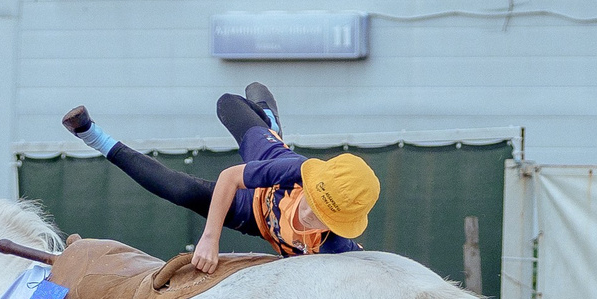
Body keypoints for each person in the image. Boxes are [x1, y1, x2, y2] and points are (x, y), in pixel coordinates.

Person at [62, 86, 380, 270]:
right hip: (265, 175)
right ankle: (269, 122)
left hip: (255, 217)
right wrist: (210, 238)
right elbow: (230, 179)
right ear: (309, 184)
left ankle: (93, 136)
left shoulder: (338, 250)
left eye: (323, 217)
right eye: (312, 202)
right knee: (228, 103)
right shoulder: (294, 171)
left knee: (180, 190)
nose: (309, 215)